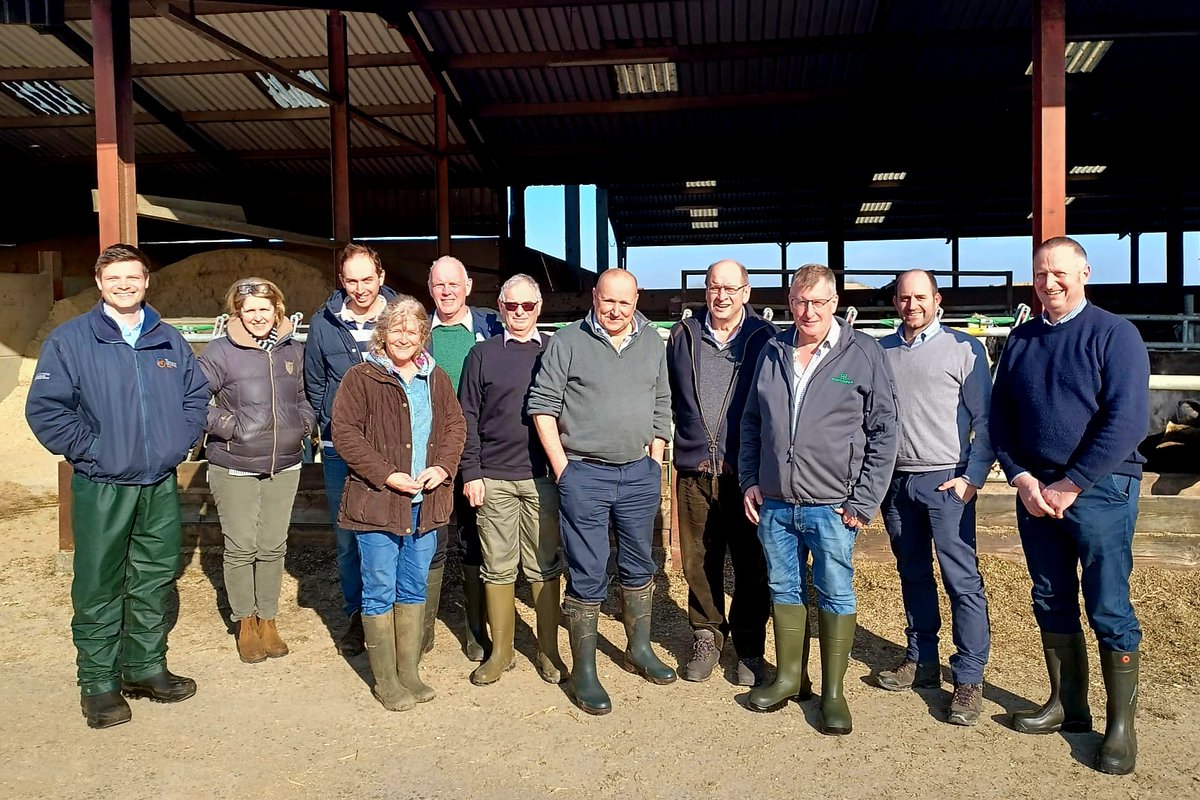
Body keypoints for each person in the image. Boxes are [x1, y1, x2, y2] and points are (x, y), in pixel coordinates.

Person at [26, 243, 209, 729]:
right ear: (100, 282)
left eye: (134, 277)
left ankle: (145, 667)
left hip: (158, 482)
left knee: (154, 576)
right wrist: (95, 451)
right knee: (99, 584)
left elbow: (196, 397)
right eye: (115, 278)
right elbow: (47, 410)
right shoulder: (72, 341)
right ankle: (99, 683)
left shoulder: (167, 339)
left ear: (147, 281)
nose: (125, 285)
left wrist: (179, 441)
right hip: (103, 484)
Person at [991, 236, 1149, 775]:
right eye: (1040, 274)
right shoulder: (1021, 341)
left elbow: (1127, 420)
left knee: (1108, 603)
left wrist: (1072, 482)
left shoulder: (1114, 335)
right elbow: (1001, 419)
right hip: (1037, 491)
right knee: (1050, 597)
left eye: (1059, 272)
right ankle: (1069, 705)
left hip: (1100, 488)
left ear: (1083, 273)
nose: (1049, 282)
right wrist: (1022, 477)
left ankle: (1120, 727)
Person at [739, 263, 898, 734]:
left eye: (818, 302)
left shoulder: (860, 355)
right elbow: (751, 422)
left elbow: (884, 431)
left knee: (835, 590)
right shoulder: (772, 351)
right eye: (800, 302)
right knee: (783, 589)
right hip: (776, 502)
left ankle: (833, 692)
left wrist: (864, 499)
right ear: (790, 303)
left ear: (834, 304)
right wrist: (751, 477)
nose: (808, 311)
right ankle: (791, 677)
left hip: (833, 506)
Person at [527, 268, 676, 715]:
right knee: (588, 570)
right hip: (583, 474)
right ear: (594, 296)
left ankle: (639, 649)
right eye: (607, 300)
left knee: (638, 561)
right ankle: (586, 672)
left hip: (638, 472)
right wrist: (563, 468)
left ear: (637, 300)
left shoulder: (652, 342)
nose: (615, 310)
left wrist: (654, 459)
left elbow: (662, 403)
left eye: (624, 302)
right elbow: (542, 405)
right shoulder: (567, 342)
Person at [330, 296, 466, 712]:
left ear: (423, 335)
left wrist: (442, 468)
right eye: (396, 329)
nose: (404, 337)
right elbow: (345, 434)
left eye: (412, 330)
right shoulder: (362, 378)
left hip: (426, 502)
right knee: (379, 588)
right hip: (379, 501)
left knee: (412, 586)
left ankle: (409, 671)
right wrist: (387, 474)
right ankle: (385, 680)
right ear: (382, 333)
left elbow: (455, 426)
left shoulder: (435, 378)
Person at [878, 270, 994, 726]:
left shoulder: (964, 350)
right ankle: (922, 658)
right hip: (898, 482)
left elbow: (986, 421)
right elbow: (852, 390)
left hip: (947, 482)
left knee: (961, 580)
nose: (912, 305)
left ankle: (968, 676)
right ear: (895, 304)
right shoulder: (881, 352)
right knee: (912, 574)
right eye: (904, 298)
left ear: (936, 300)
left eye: (920, 297)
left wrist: (973, 477)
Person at [666, 259, 775, 685]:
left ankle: (749, 645)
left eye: (731, 288)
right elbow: (668, 394)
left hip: (747, 472)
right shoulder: (683, 335)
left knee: (751, 562)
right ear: (705, 290)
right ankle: (707, 633)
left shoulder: (765, 339)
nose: (722, 295)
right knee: (699, 558)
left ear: (747, 293)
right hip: (695, 467)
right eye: (714, 286)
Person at [198, 278, 315, 664]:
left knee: (272, 545)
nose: (258, 316)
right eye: (249, 310)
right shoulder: (221, 352)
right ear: (238, 314)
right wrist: (229, 427)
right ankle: (245, 621)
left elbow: (302, 396)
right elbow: (193, 399)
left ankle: (268, 618)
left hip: (284, 463)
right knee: (242, 545)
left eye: (265, 308)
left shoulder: (292, 351)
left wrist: (304, 424)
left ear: (277, 310)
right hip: (236, 463)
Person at [458, 274, 565, 686]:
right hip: (495, 479)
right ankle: (501, 652)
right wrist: (472, 471)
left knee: (543, 565)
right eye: (511, 306)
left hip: (542, 478)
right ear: (500, 308)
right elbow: (465, 415)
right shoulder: (481, 355)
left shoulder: (555, 351)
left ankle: (549, 649)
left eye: (528, 306)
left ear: (539, 309)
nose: (519, 313)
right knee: (497, 567)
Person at [305, 243, 398, 657]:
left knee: (391, 531)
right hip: (341, 448)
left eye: (367, 279)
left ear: (380, 276)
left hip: (393, 447)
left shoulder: (402, 315)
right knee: (347, 537)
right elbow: (314, 383)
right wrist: (333, 422)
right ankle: (357, 616)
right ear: (341, 280)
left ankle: (393, 613)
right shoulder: (324, 323)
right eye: (352, 280)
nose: (360, 288)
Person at [425, 255, 503, 662]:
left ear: (469, 286)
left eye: (454, 284)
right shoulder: (419, 332)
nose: (447, 291)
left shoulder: (491, 326)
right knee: (431, 537)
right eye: (439, 284)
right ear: (430, 288)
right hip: (431, 453)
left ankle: (477, 628)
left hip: (479, 453)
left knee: (477, 539)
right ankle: (420, 630)